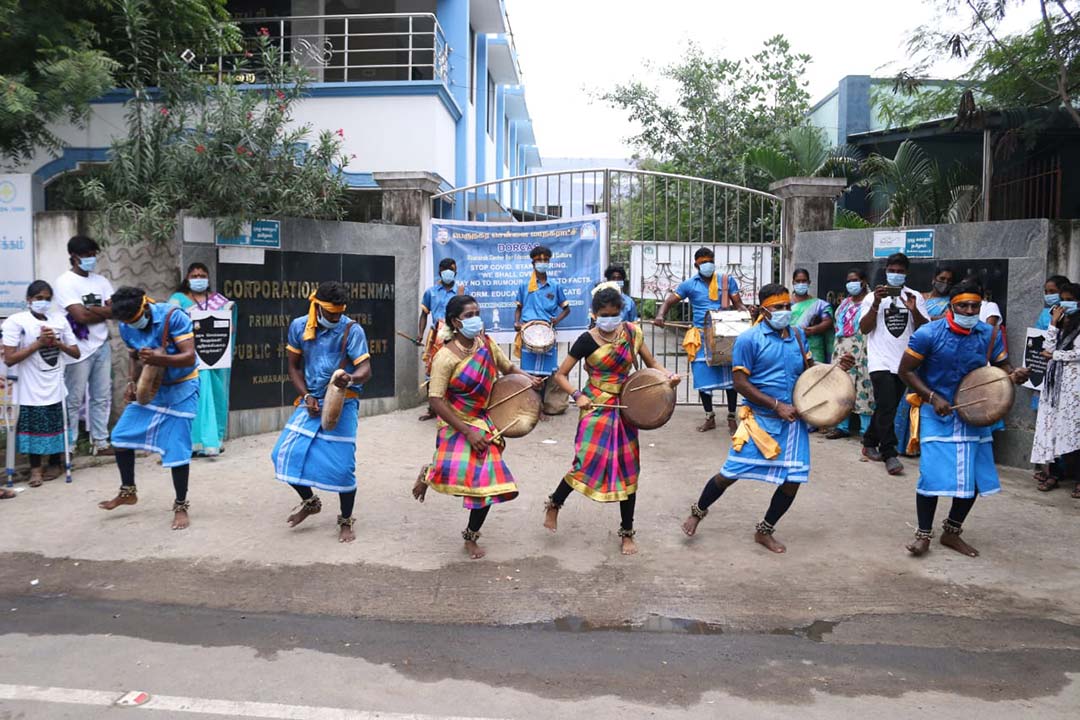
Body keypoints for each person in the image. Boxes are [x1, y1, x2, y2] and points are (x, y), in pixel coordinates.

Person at [679, 283, 854, 552]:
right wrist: (775, 405)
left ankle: (765, 530)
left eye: (788, 307)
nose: (785, 311)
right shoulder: (749, 339)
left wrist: (834, 367)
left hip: (794, 421)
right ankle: (698, 511)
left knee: (794, 479)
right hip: (759, 420)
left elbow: (809, 369)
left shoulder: (796, 335)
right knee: (730, 473)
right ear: (764, 310)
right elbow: (739, 382)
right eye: (778, 308)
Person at [544, 287, 680, 555]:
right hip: (596, 405)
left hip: (627, 406)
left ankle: (627, 532)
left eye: (615, 314)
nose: (610, 319)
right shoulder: (586, 340)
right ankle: (554, 504)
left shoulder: (631, 333)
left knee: (628, 468)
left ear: (621, 312)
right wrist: (577, 394)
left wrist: (668, 376)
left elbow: (651, 364)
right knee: (587, 460)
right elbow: (560, 375)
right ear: (594, 315)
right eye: (604, 315)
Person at [899, 281, 1029, 557]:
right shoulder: (928, 333)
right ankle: (923, 535)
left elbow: (1002, 367)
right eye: (963, 305)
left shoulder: (988, 334)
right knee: (931, 476)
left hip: (975, 414)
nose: (969, 311)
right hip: (937, 412)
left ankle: (952, 531)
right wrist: (933, 397)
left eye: (975, 306)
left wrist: (1014, 373)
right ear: (951, 305)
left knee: (973, 478)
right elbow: (906, 371)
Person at [411, 295, 541, 559]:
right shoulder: (444, 357)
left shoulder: (486, 344)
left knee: (487, 481)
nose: (475, 319)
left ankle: (471, 535)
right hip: (455, 420)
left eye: (477, 313)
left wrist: (528, 379)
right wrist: (467, 431)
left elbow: (508, 368)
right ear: (455, 322)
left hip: (483, 420)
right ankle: (431, 471)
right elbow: (436, 400)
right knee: (454, 471)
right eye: (469, 315)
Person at [272, 281, 371, 543]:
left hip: (343, 401)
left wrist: (348, 379)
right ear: (316, 305)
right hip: (310, 401)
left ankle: (346, 520)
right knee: (283, 454)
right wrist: (306, 396)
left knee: (342, 468)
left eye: (340, 313)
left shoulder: (352, 330)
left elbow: (366, 370)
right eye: (331, 313)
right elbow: (293, 367)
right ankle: (310, 502)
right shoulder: (298, 326)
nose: (336, 317)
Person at [97, 287, 199, 531]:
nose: (133, 325)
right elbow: (133, 355)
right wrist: (132, 382)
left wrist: (158, 359)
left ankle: (181, 505)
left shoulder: (174, 316)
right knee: (120, 437)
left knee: (176, 450)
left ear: (144, 307)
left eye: (135, 320)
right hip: (151, 390)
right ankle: (128, 491)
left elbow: (189, 357)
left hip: (182, 388)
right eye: (127, 322)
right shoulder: (126, 325)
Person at [654, 248, 748, 434]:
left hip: (725, 335)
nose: (707, 264)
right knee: (702, 377)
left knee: (731, 378)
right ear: (696, 264)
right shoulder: (689, 284)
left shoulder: (726, 281)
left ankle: (731, 417)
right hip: (700, 337)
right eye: (703, 261)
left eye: (710, 260)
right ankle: (709, 416)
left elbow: (738, 304)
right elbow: (669, 301)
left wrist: (747, 317)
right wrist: (660, 315)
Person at [2, 281, 80, 488]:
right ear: (28, 300)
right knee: (33, 427)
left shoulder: (59, 320)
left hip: (54, 382)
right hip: (29, 385)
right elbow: (9, 359)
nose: (43, 302)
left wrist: (57, 342)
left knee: (56, 424)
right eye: (38, 298)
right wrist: (38, 343)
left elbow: (76, 352)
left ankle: (55, 463)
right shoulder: (16, 321)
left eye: (47, 298)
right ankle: (35, 470)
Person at [859, 253, 929, 476]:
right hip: (879, 360)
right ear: (886, 271)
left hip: (904, 363)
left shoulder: (914, 296)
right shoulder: (872, 298)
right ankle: (889, 453)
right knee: (888, 404)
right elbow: (864, 328)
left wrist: (913, 309)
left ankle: (869, 441)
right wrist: (877, 303)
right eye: (892, 271)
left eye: (900, 271)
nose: (896, 275)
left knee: (885, 406)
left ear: (906, 273)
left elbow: (924, 329)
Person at [53, 235, 114, 455]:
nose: (91, 259)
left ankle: (100, 442)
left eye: (93, 255)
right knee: (73, 398)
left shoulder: (101, 281)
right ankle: (68, 446)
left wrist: (94, 311)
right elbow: (80, 317)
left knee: (101, 396)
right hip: (76, 348)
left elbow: (115, 309)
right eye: (87, 255)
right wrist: (101, 311)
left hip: (101, 345)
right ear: (74, 256)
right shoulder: (64, 282)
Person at [168, 263, 234, 457]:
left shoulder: (217, 300)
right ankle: (195, 442)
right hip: (190, 358)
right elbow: (172, 325)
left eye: (202, 275)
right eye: (194, 275)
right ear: (187, 278)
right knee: (195, 398)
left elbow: (229, 325)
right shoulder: (177, 300)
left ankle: (215, 440)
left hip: (215, 356)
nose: (199, 279)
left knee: (216, 396)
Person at [1030, 282, 1080, 498]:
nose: (1063, 304)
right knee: (1054, 429)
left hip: (1074, 387)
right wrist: (1053, 324)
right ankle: (1055, 473)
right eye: (1062, 299)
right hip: (1055, 384)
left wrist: (1056, 356)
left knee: (1073, 431)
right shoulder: (1062, 323)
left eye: (1069, 299)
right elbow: (1046, 349)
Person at [514, 246, 570, 399]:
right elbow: (519, 308)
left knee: (546, 372)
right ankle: (532, 406)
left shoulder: (555, 286)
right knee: (528, 371)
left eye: (545, 260)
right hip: (528, 332)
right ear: (533, 263)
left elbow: (567, 309)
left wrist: (556, 320)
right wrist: (516, 322)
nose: (542, 262)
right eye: (539, 260)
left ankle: (543, 405)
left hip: (547, 333)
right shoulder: (524, 285)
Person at [826, 268, 875, 440]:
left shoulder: (871, 301)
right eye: (849, 280)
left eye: (855, 280)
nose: (851, 284)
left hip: (863, 349)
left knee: (864, 387)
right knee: (841, 385)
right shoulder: (845, 303)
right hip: (842, 348)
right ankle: (842, 426)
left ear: (863, 281)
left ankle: (866, 430)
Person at [1032, 274, 1069, 489]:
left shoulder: (1071, 318)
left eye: (1053, 291)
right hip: (1046, 372)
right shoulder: (1045, 314)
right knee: (1046, 423)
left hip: (1067, 376)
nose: (1049, 296)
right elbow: (1039, 340)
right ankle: (1049, 469)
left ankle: (1062, 470)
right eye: (1046, 292)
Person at [417, 258, 464, 421]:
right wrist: (420, 334)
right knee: (432, 369)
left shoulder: (460, 291)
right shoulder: (431, 292)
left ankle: (452, 408)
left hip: (454, 334)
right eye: (445, 269)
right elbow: (424, 315)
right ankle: (432, 408)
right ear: (440, 272)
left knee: (455, 369)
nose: (449, 272)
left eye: (451, 269)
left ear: (456, 272)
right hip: (436, 335)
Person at [790, 268, 834, 364]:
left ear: (809, 282)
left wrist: (811, 330)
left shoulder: (820, 305)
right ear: (793, 282)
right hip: (790, 347)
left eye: (804, 281)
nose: (801, 284)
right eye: (798, 281)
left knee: (815, 377)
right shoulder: (785, 305)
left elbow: (828, 322)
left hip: (814, 350)